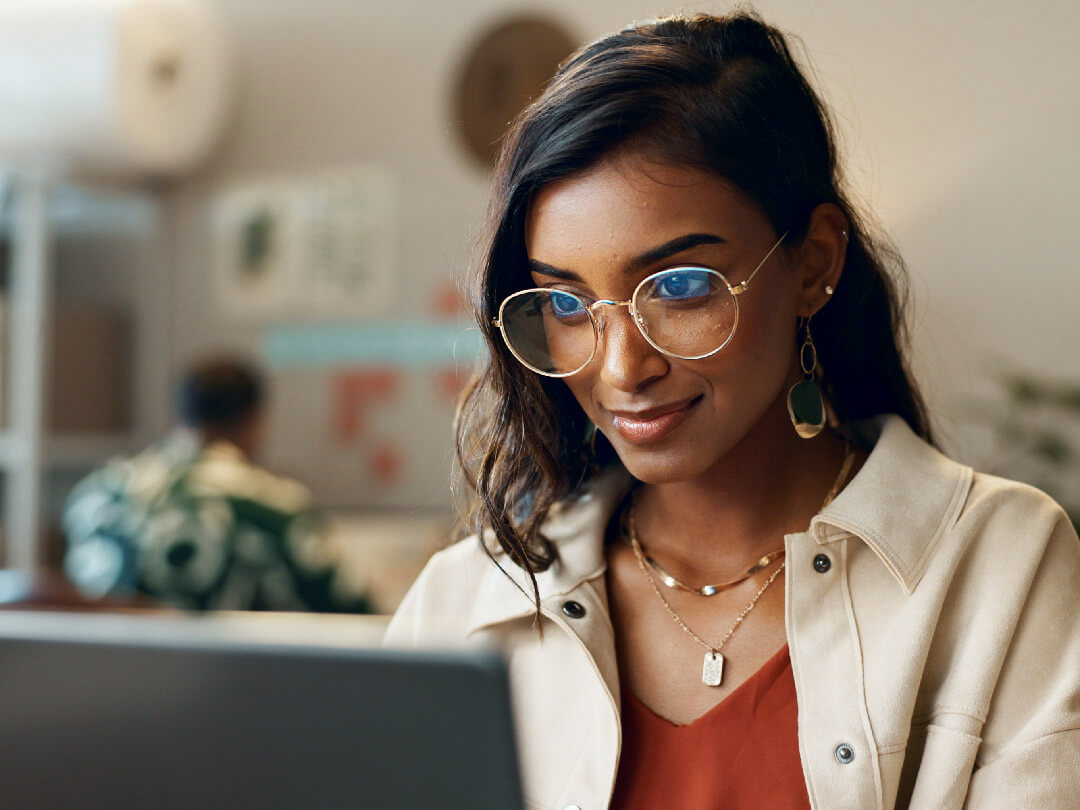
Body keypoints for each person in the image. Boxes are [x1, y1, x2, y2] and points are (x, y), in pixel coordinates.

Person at [384, 11, 1080, 809]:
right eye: (567, 303)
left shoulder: (999, 566)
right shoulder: (467, 602)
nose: (622, 367)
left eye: (679, 287)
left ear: (814, 263)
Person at [63, 358, 372, 614]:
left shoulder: (99, 495)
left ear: (176, 418)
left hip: (104, 680)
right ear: (255, 422)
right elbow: (352, 613)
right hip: (228, 682)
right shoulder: (273, 504)